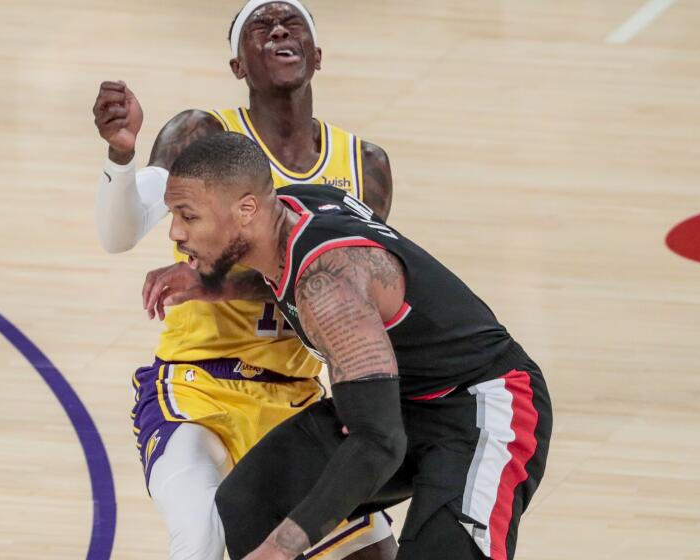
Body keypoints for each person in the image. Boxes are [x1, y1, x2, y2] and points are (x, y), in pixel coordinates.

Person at [143, 131, 553, 560]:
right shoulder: (293, 208)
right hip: (397, 396)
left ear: (246, 210)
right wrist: (214, 285)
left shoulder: (327, 289)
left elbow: (379, 443)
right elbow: (290, 272)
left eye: (188, 217)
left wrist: (281, 549)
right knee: (248, 501)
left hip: (485, 408)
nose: (176, 232)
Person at [91, 1, 396, 558]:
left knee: (372, 552)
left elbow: (350, 288)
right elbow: (120, 233)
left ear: (317, 55)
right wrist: (121, 156)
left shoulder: (364, 164)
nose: (279, 28)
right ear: (237, 66)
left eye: (292, 22)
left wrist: (215, 285)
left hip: (297, 400)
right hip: (196, 386)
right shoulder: (203, 134)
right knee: (203, 536)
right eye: (261, 24)